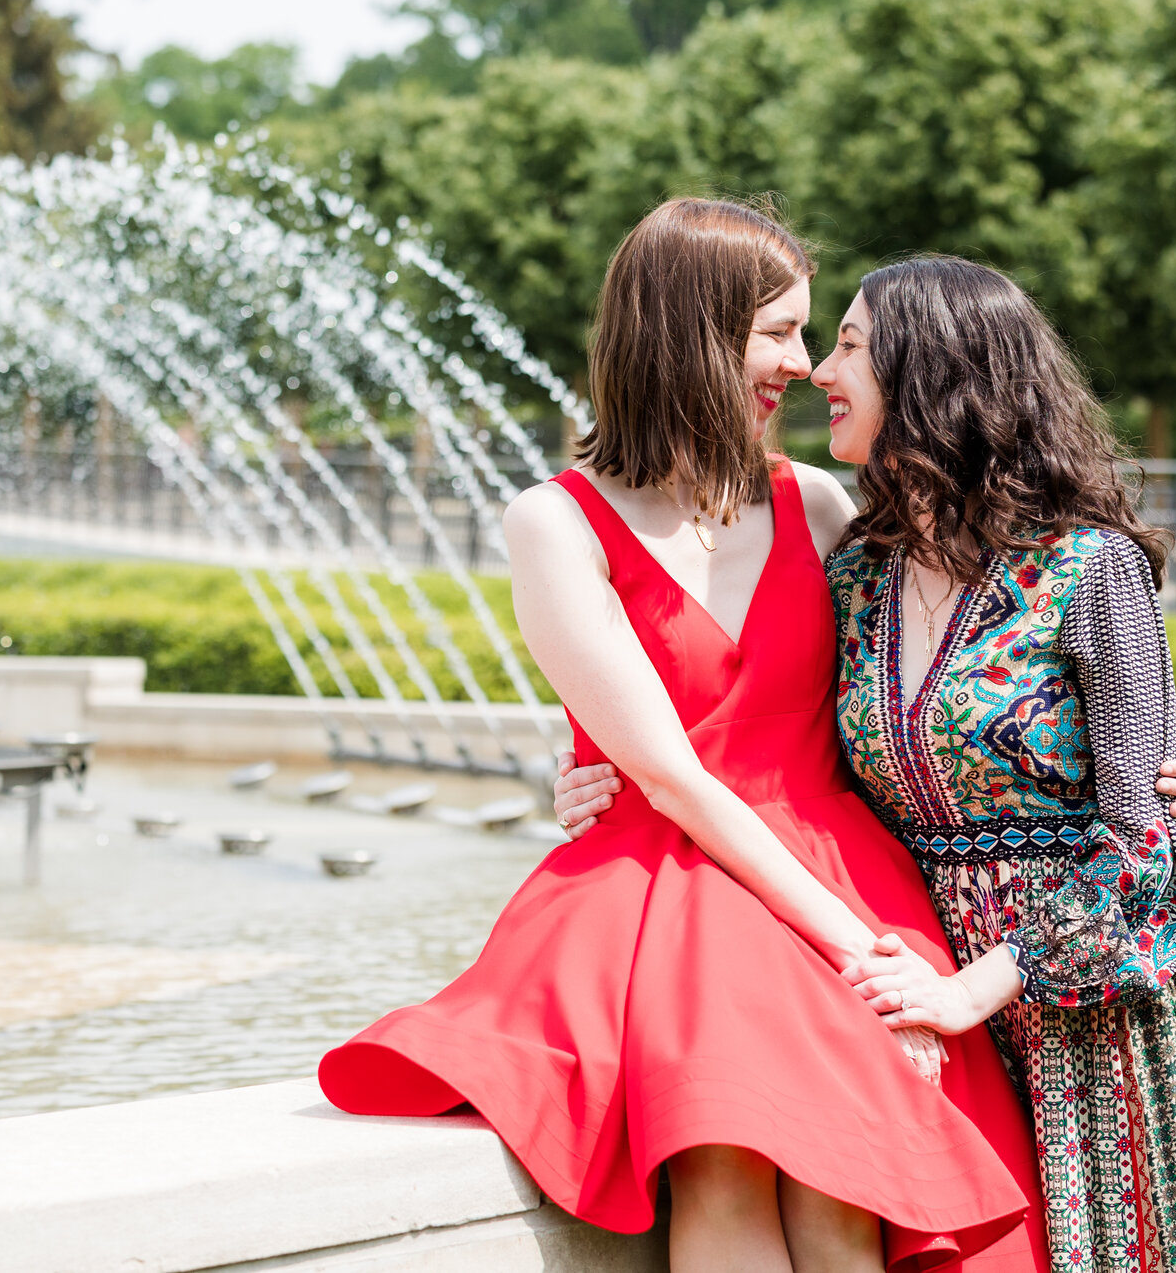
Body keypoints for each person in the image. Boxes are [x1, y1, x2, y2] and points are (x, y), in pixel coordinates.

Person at [322, 199, 1047, 1273]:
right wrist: (860, 952)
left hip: (836, 864)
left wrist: (1127, 755)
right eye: (777, 331)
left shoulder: (816, 505)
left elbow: (945, 685)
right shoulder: (554, 519)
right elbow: (670, 771)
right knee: (723, 1163)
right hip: (673, 878)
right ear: (692, 330)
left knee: (845, 1195)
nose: (802, 366)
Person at [814, 255, 1176, 1271]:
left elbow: (1145, 848)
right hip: (927, 990)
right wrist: (588, 781)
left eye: (845, 342)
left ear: (929, 369)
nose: (816, 370)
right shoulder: (855, 575)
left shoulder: (1088, 568)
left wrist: (981, 985)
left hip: (1095, 1010)